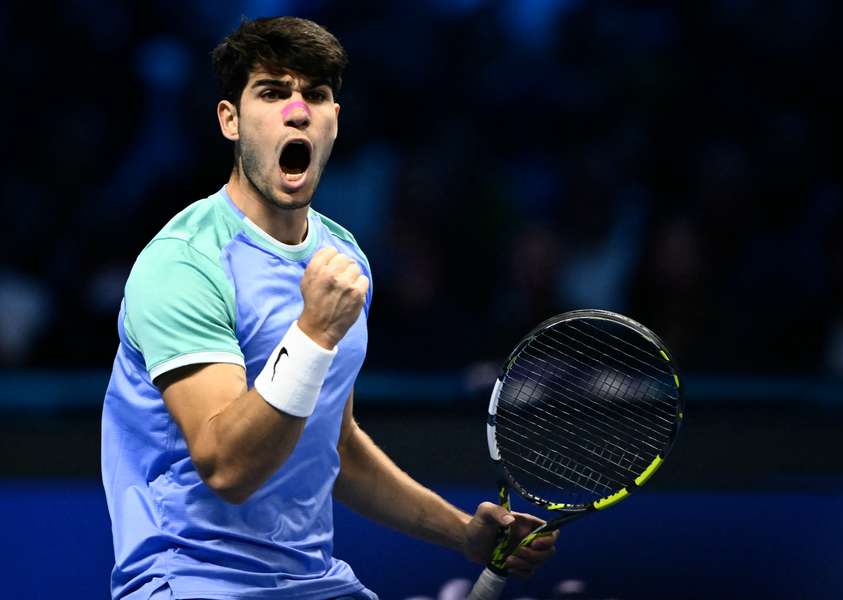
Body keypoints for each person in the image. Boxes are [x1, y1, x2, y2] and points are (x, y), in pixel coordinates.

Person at [101, 16, 556, 600]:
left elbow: (332, 443)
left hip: (315, 583)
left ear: (333, 122)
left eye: (315, 95)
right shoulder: (184, 264)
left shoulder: (345, 258)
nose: (297, 111)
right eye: (271, 93)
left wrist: (463, 533)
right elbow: (227, 469)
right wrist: (313, 332)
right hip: (190, 581)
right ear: (230, 121)